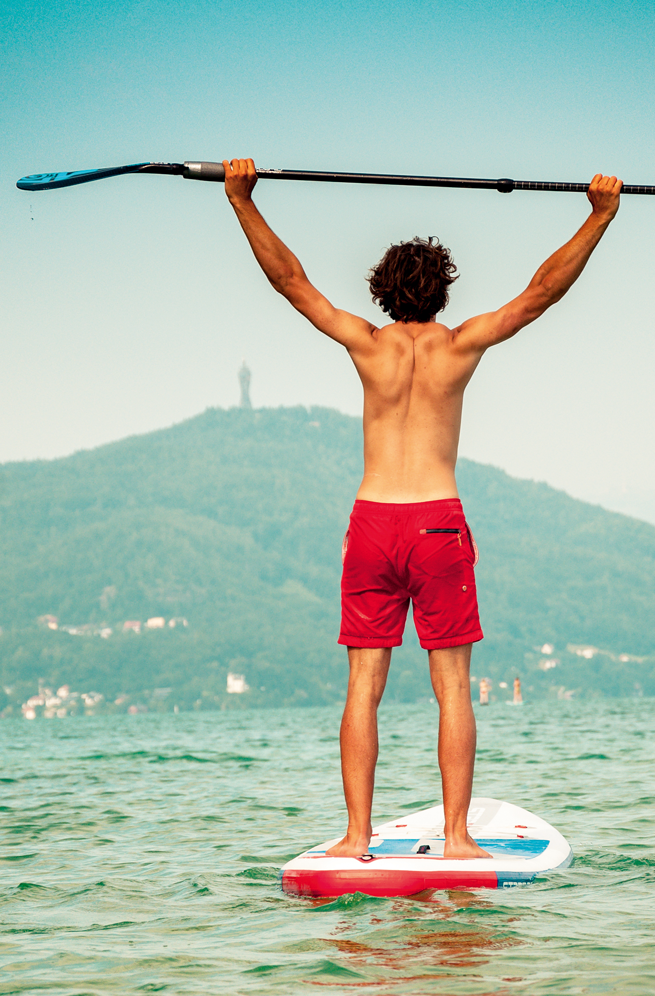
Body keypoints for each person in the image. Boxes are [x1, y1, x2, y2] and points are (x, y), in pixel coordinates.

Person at [223, 158, 622, 859]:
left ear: (382, 293)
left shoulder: (364, 343)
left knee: (363, 687)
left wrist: (241, 199)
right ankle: (459, 838)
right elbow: (540, 294)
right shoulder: (462, 344)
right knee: (454, 689)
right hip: (437, 523)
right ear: (442, 292)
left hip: (374, 521)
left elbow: (289, 281)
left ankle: (355, 837)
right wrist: (598, 217)